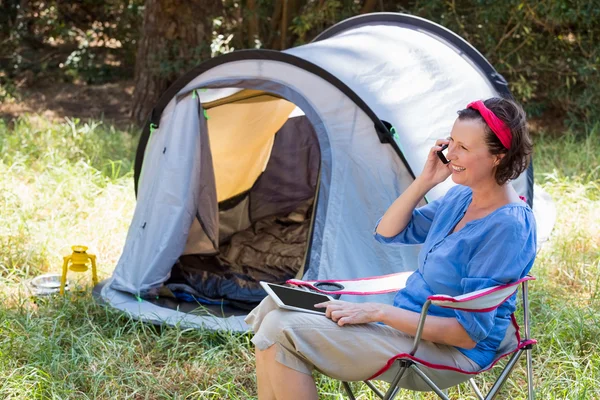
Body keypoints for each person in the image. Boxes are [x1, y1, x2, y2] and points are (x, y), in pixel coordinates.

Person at [245, 97, 537, 400]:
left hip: (451, 350)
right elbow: (388, 231)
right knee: (274, 309)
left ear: (498, 156)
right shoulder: (461, 197)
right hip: (407, 324)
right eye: (451, 141)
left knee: (281, 327)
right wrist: (425, 180)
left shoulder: (508, 227)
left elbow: (465, 334)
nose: (451, 153)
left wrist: (377, 312)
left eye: (464, 147)